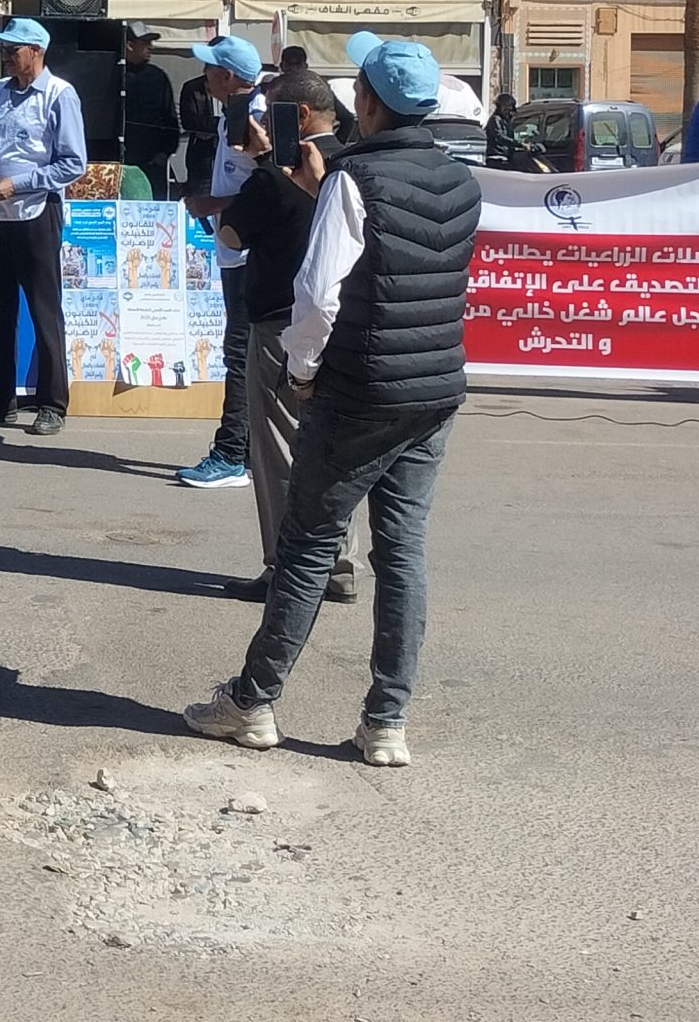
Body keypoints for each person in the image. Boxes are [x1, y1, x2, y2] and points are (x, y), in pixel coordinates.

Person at [186, 38, 481, 770]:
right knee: (402, 553)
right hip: (433, 385)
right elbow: (404, 256)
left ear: (368, 104)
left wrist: (301, 371)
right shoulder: (458, 178)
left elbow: (319, 294)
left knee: (308, 547)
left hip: (358, 386)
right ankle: (386, 720)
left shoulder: (355, 178)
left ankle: (253, 701)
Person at [213, 69, 356, 606]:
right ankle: (337, 563)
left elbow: (231, 235)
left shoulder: (275, 177)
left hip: (281, 322)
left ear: (298, 115)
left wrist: (258, 166)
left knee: (278, 450)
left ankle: (286, 567)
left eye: (271, 112)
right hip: (345, 322)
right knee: (332, 448)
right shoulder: (351, 167)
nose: (262, 123)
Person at [0, 16, 85, 434]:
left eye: (12, 49)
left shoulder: (59, 94)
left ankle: (52, 403)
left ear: (36, 51)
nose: (4, 55)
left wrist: (18, 185)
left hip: (37, 213)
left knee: (43, 310)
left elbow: (73, 163)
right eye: (2, 48)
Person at [176, 34, 266, 489]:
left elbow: (273, 185)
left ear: (228, 76)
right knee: (244, 352)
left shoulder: (255, 117)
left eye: (210, 68)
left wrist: (213, 203)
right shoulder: (238, 113)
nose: (204, 76)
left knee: (241, 353)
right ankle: (245, 451)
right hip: (236, 252)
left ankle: (231, 453)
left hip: (251, 254)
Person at [120, 24, 183, 198]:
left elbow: (170, 117)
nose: (151, 47)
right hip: (118, 163)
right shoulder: (111, 73)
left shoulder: (157, 76)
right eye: (146, 42)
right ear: (130, 45)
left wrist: (164, 153)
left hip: (152, 164)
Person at [178, 68, 220, 197]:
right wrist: (221, 124)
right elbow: (189, 122)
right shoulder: (193, 87)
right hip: (202, 155)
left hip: (230, 155)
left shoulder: (235, 85)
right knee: (200, 197)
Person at [485, 90, 521, 164]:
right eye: (506, 109)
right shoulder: (495, 119)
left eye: (511, 110)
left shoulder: (506, 121)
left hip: (506, 156)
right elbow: (500, 137)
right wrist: (519, 144)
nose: (509, 112)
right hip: (497, 157)